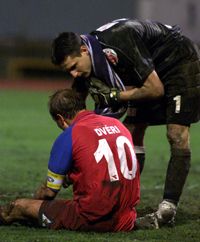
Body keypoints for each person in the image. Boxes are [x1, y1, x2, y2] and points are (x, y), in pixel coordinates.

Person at [51, 18, 200, 228]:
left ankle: (169, 207)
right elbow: (77, 109)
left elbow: (155, 89)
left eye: (74, 67)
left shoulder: (118, 40)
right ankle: (123, 200)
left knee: (177, 134)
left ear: (84, 50)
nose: (74, 74)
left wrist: (116, 96)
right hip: (151, 67)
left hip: (178, 61)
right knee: (132, 131)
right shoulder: (90, 56)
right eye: (68, 71)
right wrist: (70, 152)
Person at [0, 88, 140, 232]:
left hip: (93, 219)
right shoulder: (118, 124)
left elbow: (49, 192)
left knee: (18, 207)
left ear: (60, 119)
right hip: (127, 219)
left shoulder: (70, 135)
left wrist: (35, 203)